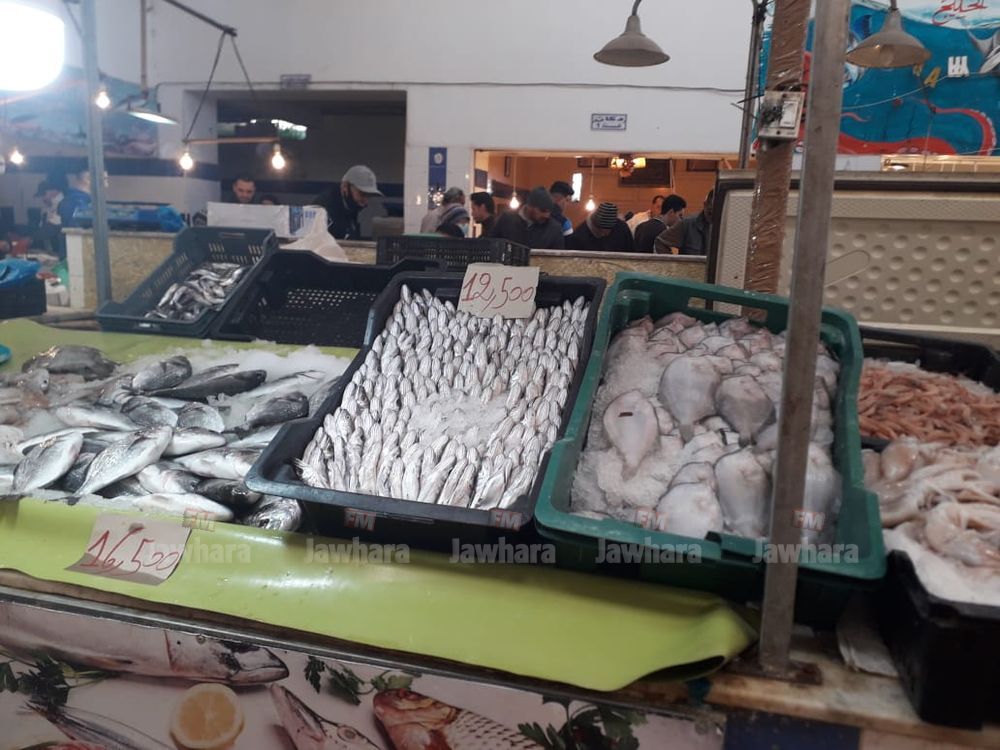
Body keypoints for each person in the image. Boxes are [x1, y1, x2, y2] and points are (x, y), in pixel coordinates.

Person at [312, 164, 383, 240]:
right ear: (345, 186)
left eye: (369, 196)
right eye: (362, 194)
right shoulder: (323, 209)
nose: (365, 202)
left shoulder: (349, 206)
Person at [489, 186, 564, 249]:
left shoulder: (554, 229)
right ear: (529, 206)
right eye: (542, 210)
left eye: (549, 212)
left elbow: (558, 259)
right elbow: (491, 245)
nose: (546, 215)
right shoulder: (506, 220)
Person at [654, 189, 714, 255]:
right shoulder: (686, 225)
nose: (713, 216)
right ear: (705, 204)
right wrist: (672, 261)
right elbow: (660, 242)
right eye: (710, 211)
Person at [566, 202, 634, 252]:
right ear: (594, 225)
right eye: (601, 231)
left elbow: (631, 253)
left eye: (609, 230)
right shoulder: (579, 235)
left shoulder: (622, 229)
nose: (605, 234)